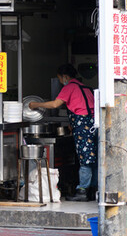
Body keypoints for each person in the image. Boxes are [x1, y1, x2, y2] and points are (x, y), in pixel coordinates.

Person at [28, 63, 97, 201]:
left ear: (65, 76)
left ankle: (82, 191)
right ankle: (92, 190)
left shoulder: (70, 86)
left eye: (60, 78)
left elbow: (55, 104)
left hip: (83, 127)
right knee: (93, 158)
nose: (60, 81)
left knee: (85, 160)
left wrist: (35, 105)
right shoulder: (85, 87)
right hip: (92, 125)